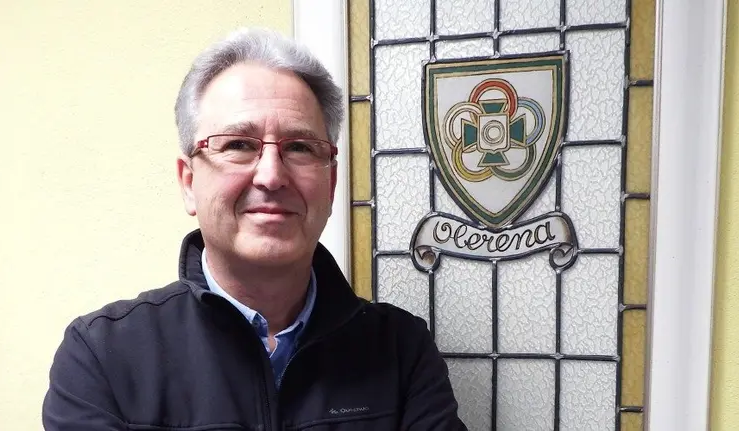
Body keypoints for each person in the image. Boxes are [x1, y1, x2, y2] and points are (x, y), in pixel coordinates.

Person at [42, 27, 466, 430]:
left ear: (331, 184)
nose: (271, 176)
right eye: (238, 145)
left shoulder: (401, 352)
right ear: (189, 183)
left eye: (299, 147)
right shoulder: (102, 357)